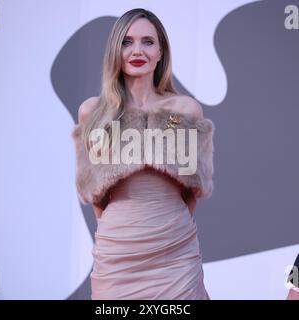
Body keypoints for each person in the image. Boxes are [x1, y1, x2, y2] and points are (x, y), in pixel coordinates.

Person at [71, 8, 215, 300]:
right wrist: (123, 232)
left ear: (161, 50)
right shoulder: (92, 113)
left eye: (147, 41)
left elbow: (193, 189)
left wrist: (167, 226)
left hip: (176, 254)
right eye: (126, 42)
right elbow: (95, 195)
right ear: (115, 50)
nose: (137, 50)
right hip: (117, 257)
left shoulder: (186, 110)